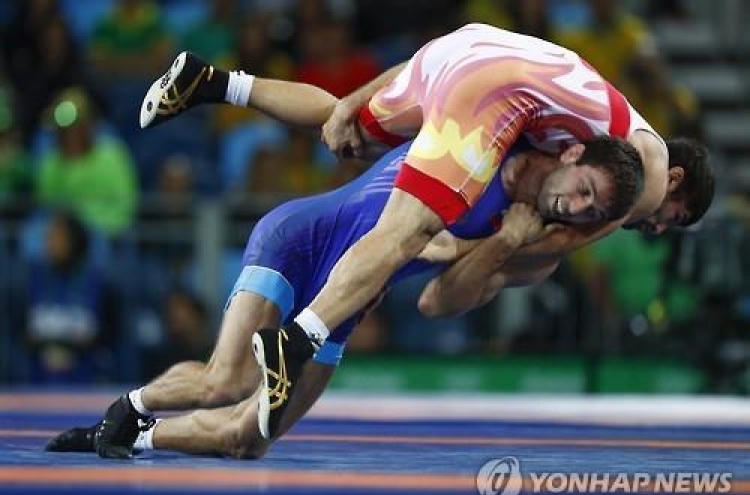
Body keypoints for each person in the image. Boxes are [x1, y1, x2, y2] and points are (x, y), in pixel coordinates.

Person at [137, 23, 714, 441]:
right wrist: (492, 243)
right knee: (406, 232)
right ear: (677, 181)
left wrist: (362, 100)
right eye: (675, 215)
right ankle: (297, 340)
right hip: (495, 88)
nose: (659, 226)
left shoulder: (605, 125)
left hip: (468, 46)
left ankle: (218, 83)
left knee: (345, 126)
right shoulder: (640, 180)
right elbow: (553, 239)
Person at [49, 133, 643, 458]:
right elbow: (424, 249)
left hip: (347, 297)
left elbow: (438, 301)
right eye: (585, 189)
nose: (580, 206)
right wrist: (497, 241)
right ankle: (129, 406)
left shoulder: (528, 236)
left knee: (248, 439)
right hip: (300, 243)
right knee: (225, 381)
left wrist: (506, 242)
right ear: (570, 154)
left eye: (595, 211)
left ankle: (138, 435)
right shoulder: (486, 146)